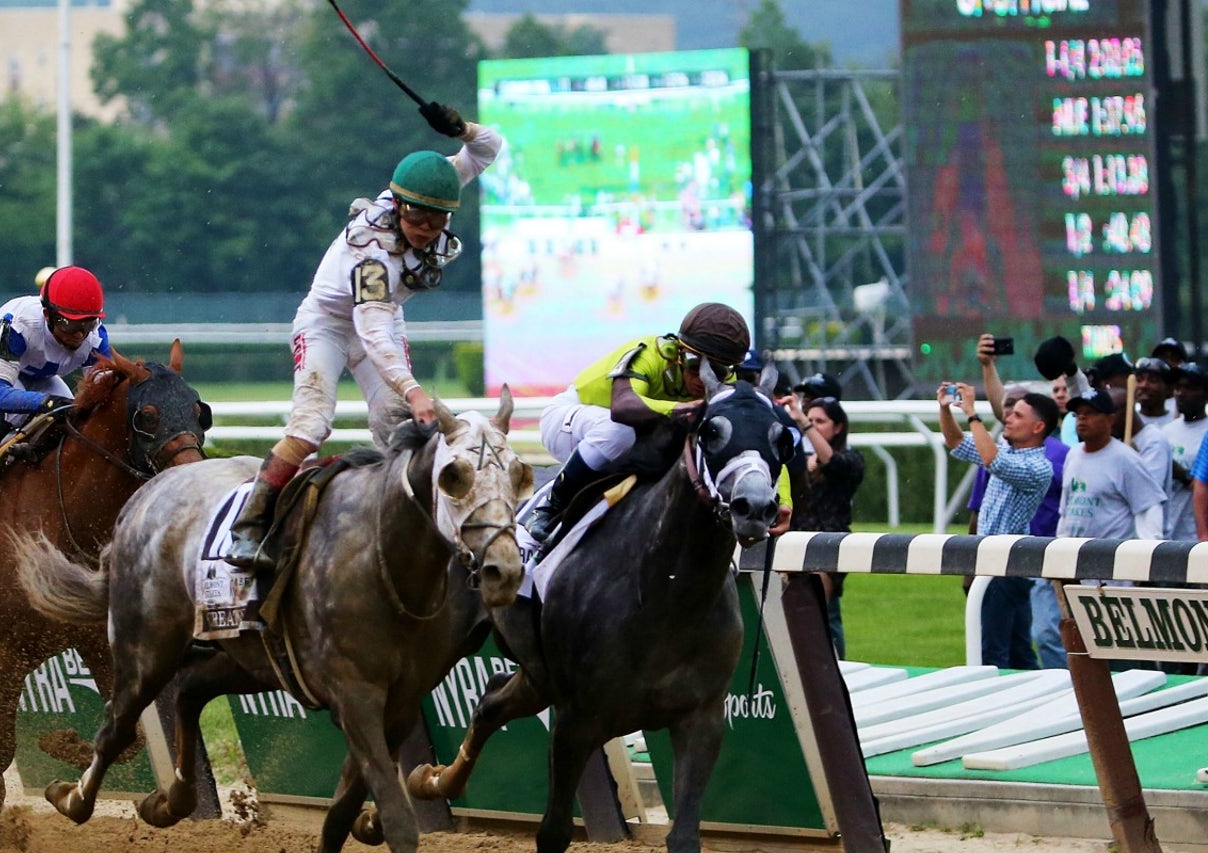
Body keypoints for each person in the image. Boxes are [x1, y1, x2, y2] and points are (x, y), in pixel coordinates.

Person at [225, 102, 502, 570]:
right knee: (313, 425)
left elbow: (490, 149)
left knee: (395, 426)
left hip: (383, 316)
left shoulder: (431, 196)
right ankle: (250, 524)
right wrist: (414, 390)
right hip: (329, 325)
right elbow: (372, 333)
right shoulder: (370, 249)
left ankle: (403, 522)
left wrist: (461, 128)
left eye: (437, 222)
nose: (425, 232)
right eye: (417, 220)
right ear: (398, 205)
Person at [527, 302, 767, 543]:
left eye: (718, 371)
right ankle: (550, 507)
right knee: (619, 432)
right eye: (696, 366)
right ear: (679, 352)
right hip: (572, 419)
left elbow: (750, 439)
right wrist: (677, 409)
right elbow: (621, 408)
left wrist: (783, 500)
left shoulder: (728, 383)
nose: (704, 380)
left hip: (635, 439)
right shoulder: (649, 353)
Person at [0, 265, 111, 511]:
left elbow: (104, 395)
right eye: (69, 325)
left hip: (38, 374)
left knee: (72, 420)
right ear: (48, 315)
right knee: (12, 413)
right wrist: (44, 402)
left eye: (88, 324)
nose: (80, 335)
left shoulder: (97, 338)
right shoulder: (18, 325)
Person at [940, 380, 1057, 669]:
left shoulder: (1039, 468)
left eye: (1018, 415)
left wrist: (972, 413)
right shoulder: (1008, 451)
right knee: (1019, 653)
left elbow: (991, 460)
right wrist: (944, 409)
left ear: (1038, 427)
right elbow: (956, 442)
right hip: (1000, 566)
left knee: (992, 655)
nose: (1008, 418)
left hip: (1004, 569)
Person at [782, 393, 864, 658]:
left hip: (828, 547)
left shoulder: (852, 460)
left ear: (838, 427)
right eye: (811, 420)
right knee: (791, 619)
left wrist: (803, 423)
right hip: (793, 543)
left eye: (820, 421)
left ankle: (832, 669)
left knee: (818, 617)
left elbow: (832, 463)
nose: (813, 425)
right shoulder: (795, 460)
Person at [1057, 387, 1165, 542]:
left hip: (1111, 556)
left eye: (1090, 413)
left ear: (1110, 419)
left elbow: (1149, 508)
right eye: (1078, 413)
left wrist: (1147, 552)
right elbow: (1065, 511)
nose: (1082, 418)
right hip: (1075, 554)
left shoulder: (1125, 458)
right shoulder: (1073, 455)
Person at [1165, 363, 1208, 541]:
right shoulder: (1165, 432)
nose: (1181, 393)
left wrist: (1183, 474)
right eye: (1178, 387)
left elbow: (1201, 483)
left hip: (1195, 535)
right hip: (1167, 534)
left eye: (1189, 388)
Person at [1133, 356, 1177, 428]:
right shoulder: (1128, 422)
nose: (1143, 386)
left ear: (1168, 388)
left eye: (1152, 380)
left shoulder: (1176, 422)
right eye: (1139, 380)